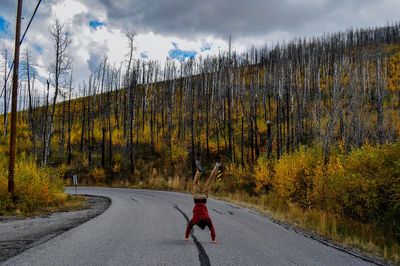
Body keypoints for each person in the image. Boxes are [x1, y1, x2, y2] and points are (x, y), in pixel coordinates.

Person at [185, 160, 221, 244]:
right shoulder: (194, 220)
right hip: (197, 198)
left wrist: (214, 239)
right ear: (198, 223)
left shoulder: (207, 220)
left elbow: (212, 229)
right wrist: (186, 236)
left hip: (204, 198)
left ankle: (216, 166)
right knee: (195, 183)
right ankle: (199, 171)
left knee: (209, 182)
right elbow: (188, 227)